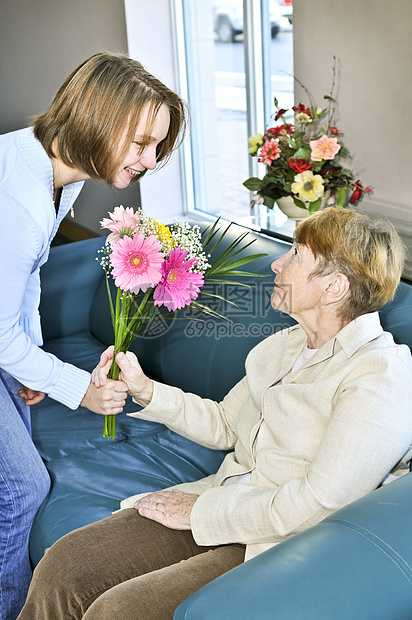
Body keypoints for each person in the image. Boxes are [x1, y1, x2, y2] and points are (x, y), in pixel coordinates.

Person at [18, 208, 412, 620]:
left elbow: (320, 503)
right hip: (222, 499)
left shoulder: (380, 374)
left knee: (118, 612)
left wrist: (200, 513)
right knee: (68, 561)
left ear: (333, 287)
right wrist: (144, 389)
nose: (278, 263)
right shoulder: (287, 344)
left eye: (296, 254)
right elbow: (226, 423)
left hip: (282, 544)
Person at [0, 51, 188, 619]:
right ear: (96, 119)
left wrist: (28, 358)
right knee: (21, 492)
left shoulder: (55, 176)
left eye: (157, 146)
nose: (151, 161)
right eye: (141, 144)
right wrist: (74, 385)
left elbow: (25, 279)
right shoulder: (21, 200)